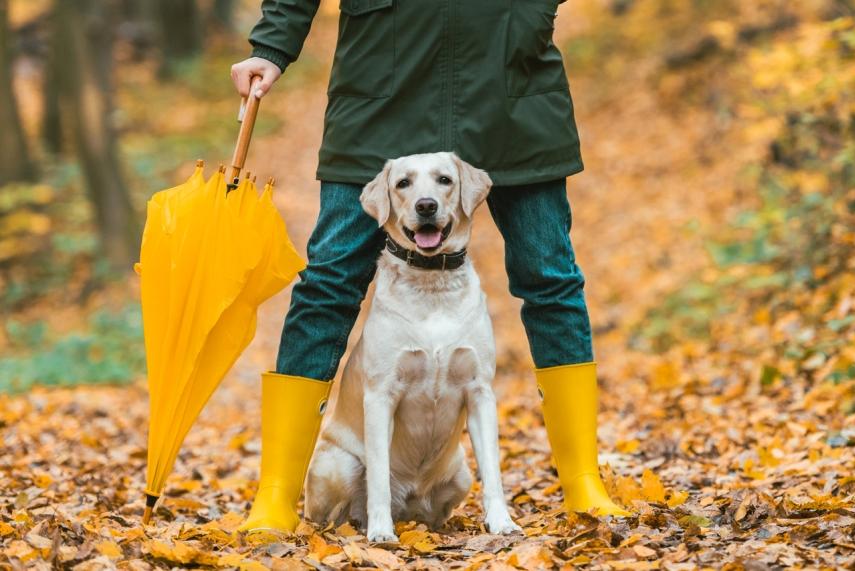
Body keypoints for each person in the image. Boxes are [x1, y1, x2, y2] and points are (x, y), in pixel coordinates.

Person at [231, 0, 627, 534]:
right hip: (381, 85)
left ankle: (583, 480)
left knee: (550, 277)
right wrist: (273, 46)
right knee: (327, 282)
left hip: (509, 88)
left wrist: (530, 14)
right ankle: (276, 495)